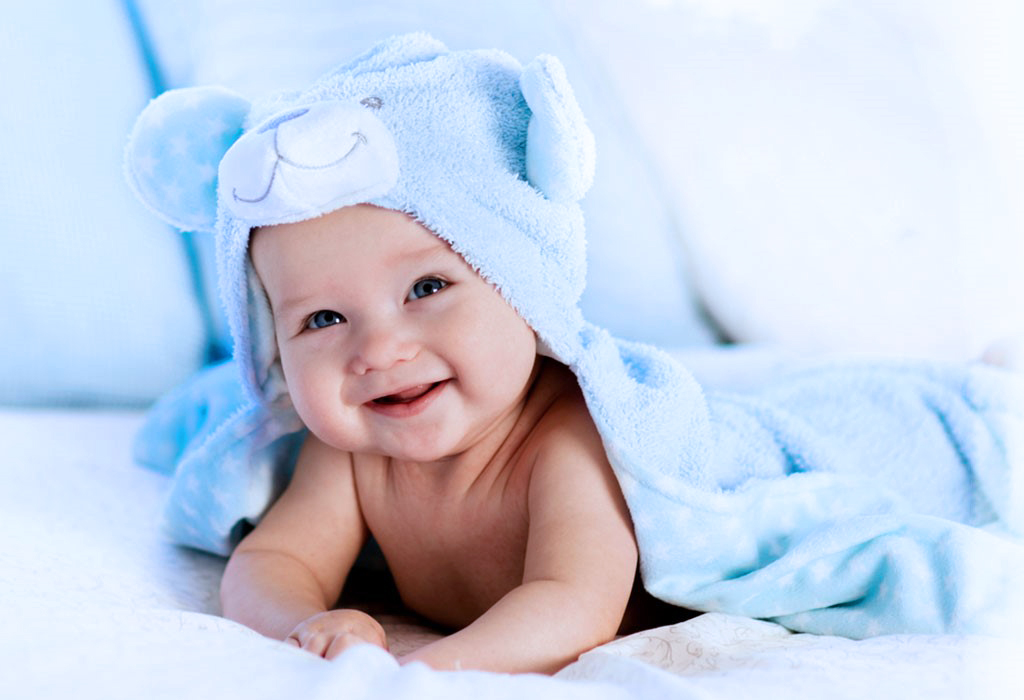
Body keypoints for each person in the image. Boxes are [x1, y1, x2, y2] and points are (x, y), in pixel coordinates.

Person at [125, 32, 1024, 676]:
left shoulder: (568, 440)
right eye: (320, 320)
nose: (380, 348)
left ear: (522, 285)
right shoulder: (350, 456)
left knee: (935, 432)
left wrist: (434, 668)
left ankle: (979, 388)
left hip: (854, 438)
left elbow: (574, 603)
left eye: (428, 288)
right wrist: (316, 622)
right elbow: (270, 566)